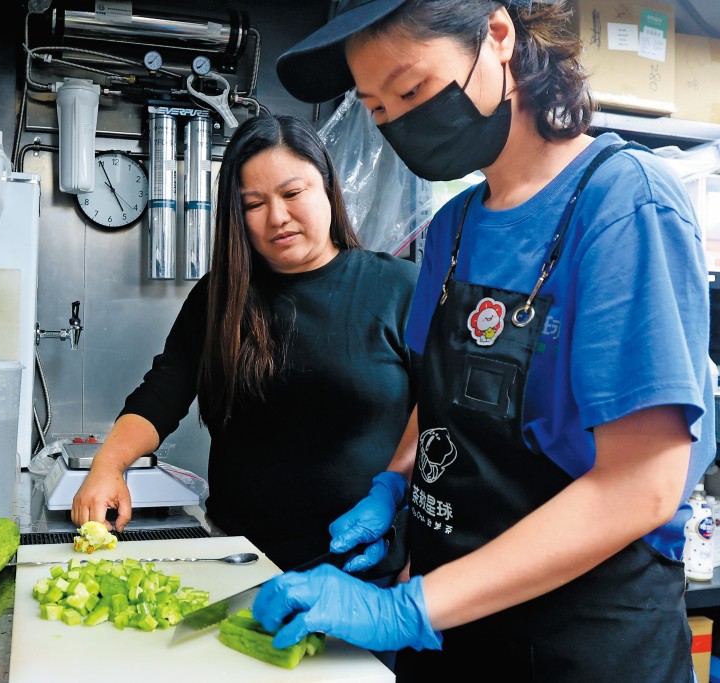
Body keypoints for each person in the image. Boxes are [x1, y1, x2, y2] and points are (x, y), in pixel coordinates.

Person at [254, 1, 716, 680]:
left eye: (411, 91)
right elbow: (444, 396)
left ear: (499, 37)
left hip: (580, 640)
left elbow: (641, 484)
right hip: (458, 626)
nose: (401, 124)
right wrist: (394, 482)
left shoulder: (623, 205)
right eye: (378, 110)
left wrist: (404, 609)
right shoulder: (453, 227)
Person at [71, 113, 420, 571]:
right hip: (236, 562)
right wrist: (107, 465)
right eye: (253, 204)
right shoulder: (221, 296)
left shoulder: (400, 288)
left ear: (328, 186)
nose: (277, 217)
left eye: (293, 193)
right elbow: (163, 392)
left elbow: (439, 415)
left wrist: (400, 512)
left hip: (361, 569)